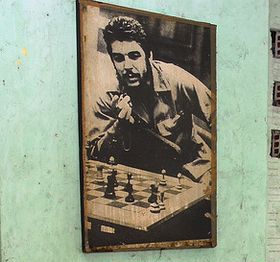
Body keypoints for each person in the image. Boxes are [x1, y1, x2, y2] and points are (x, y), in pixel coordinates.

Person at [86, 15, 212, 180]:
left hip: (193, 168)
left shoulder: (176, 79)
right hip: (147, 176)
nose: (127, 66)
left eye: (134, 56)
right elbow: (93, 155)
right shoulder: (108, 97)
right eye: (119, 58)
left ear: (149, 56)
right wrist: (119, 126)